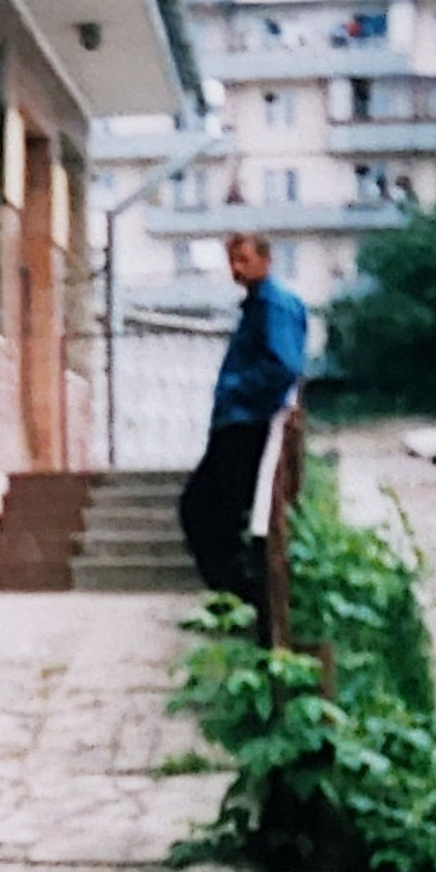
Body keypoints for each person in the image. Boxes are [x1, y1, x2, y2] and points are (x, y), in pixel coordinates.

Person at [179, 234, 308, 606]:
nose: (236, 268)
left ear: (265, 261)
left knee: (203, 508)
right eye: (232, 261)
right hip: (240, 421)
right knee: (214, 510)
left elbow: (282, 366)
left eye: (244, 260)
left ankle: (239, 595)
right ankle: (238, 593)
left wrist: (237, 391)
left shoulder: (272, 304)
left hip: (248, 423)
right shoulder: (258, 305)